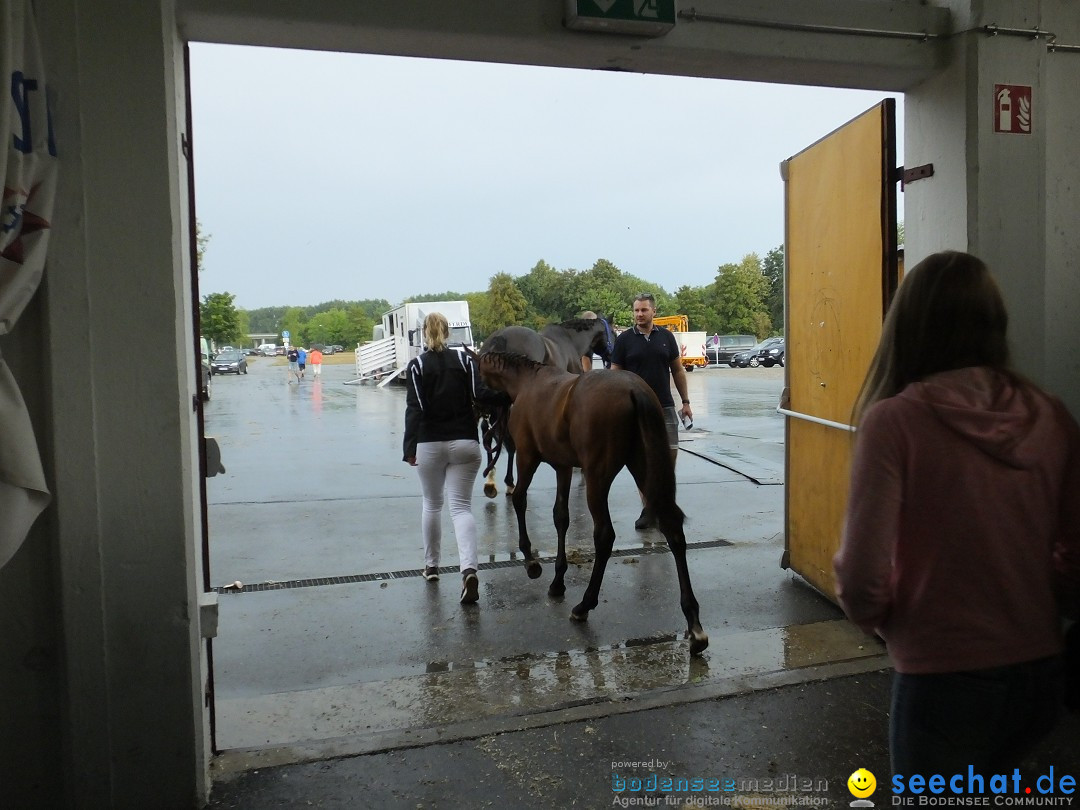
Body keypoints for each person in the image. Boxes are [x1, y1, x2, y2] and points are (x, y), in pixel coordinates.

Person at [833, 250, 1080, 780]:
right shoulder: (1049, 413)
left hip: (941, 677)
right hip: (1040, 669)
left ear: (907, 322)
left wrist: (895, 626)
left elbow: (860, 580)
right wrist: (1034, 604)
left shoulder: (895, 422)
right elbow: (1075, 554)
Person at [403, 312, 486, 605]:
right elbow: (480, 395)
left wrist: (409, 447)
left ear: (424, 334)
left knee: (432, 504)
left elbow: (415, 408)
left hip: (429, 443)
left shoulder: (417, 365)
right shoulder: (465, 361)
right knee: (461, 508)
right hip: (464, 441)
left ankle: (432, 566)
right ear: (449, 333)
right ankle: (469, 571)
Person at [609, 292, 693, 529]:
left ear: (654, 311)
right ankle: (649, 509)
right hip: (634, 410)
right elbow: (615, 374)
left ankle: (662, 504)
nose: (639, 314)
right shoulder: (624, 340)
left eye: (644, 310)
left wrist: (685, 402)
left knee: (669, 457)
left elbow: (677, 371)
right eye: (636, 310)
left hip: (664, 407)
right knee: (642, 460)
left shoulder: (666, 337)